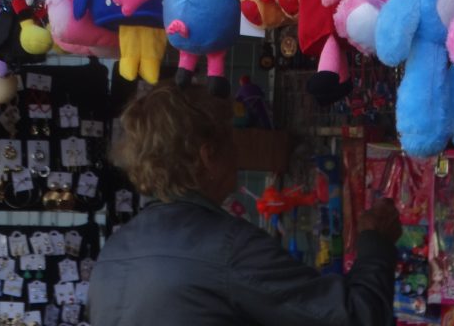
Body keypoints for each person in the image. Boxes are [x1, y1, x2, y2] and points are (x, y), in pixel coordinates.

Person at [89, 82, 401, 326]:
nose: (238, 155)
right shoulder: (227, 249)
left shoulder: (114, 252)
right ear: (208, 156)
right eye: (231, 140)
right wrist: (376, 243)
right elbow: (356, 316)